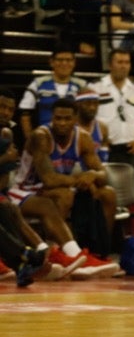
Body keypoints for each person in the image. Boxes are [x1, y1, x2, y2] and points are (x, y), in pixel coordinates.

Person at [6, 99, 122, 277]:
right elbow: (49, 179)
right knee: (62, 195)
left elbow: (103, 175)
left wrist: (93, 176)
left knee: (107, 194)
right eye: (57, 118)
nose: (61, 123)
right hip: (24, 190)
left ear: (75, 118)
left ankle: (99, 252)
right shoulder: (41, 136)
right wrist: (81, 179)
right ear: (52, 117)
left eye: (67, 119)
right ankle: (60, 254)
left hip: (60, 186)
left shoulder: (82, 137)